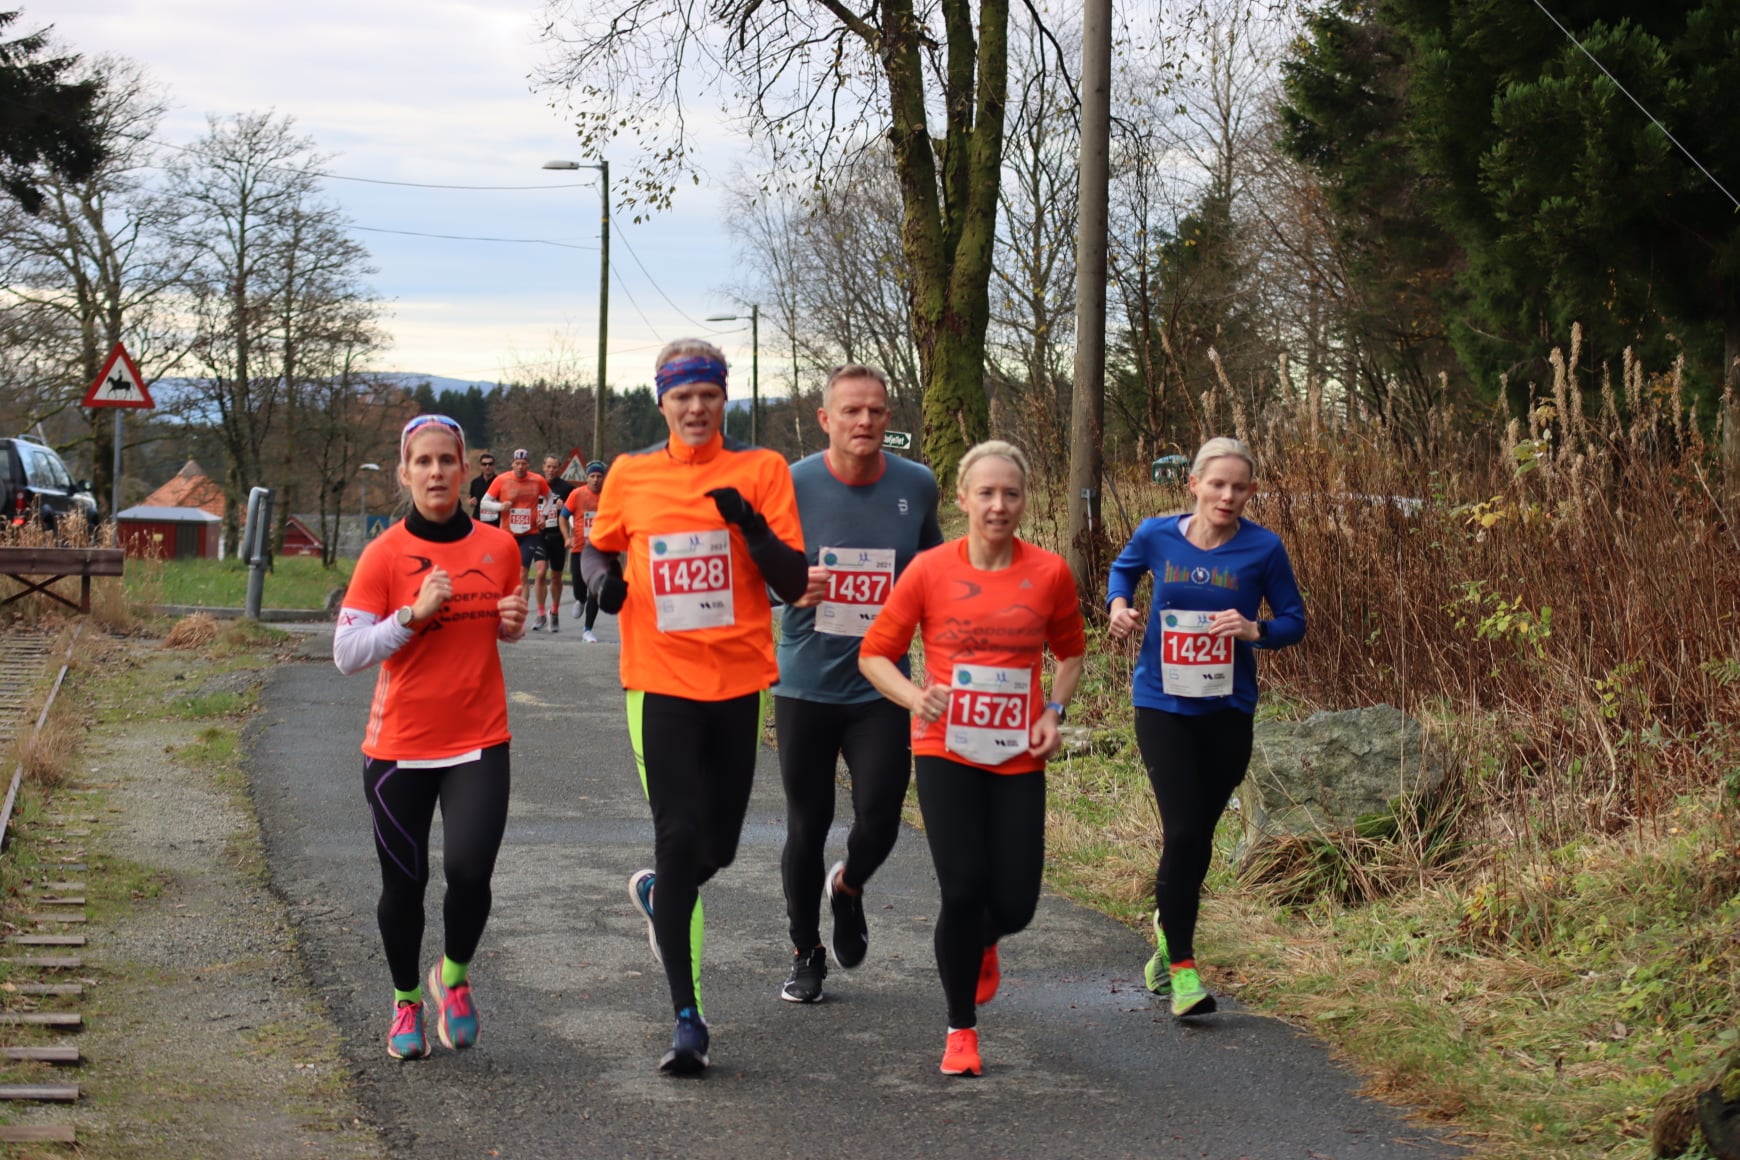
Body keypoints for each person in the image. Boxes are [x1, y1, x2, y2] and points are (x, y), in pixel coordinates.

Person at [579, 338, 808, 1074]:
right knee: (678, 837)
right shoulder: (632, 473)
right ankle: (687, 1020)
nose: (696, 407)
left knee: (718, 850)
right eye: (682, 396)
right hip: (661, 680)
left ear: (724, 397)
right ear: (663, 402)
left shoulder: (763, 470)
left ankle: (662, 895)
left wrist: (752, 526)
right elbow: (596, 548)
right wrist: (601, 583)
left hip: (738, 682)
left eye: (708, 394)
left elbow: (793, 581)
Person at [858, 440, 1086, 1079]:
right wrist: (915, 697)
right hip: (946, 747)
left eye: (1010, 493)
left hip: (1018, 752)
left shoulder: (1049, 573)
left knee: (1016, 904)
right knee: (961, 889)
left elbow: (1071, 652)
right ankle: (960, 1030)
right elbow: (874, 653)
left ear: (1025, 501)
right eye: (985, 493)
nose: (998, 505)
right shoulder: (929, 570)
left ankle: (986, 939)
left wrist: (1053, 712)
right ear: (962, 499)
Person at [331, 414, 528, 1060]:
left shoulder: (499, 548)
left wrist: (513, 623)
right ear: (404, 473)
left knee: (470, 872)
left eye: (447, 460)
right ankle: (407, 999)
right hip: (398, 746)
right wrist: (411, 617)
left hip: (479, 738)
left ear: (466, 470)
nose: (436, 471)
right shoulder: (384, 554)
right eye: (423, 461)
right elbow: (347, 653)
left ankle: (455, 977)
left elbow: (503, 623)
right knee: (404, 885)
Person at [1105, 436, 1305, 1018]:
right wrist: (1119, 608)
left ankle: (1168, 935)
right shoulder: (1156, 534)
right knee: (1184, 832)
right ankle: (1185, 973)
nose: (1227, 495)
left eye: (1239, 487)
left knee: (1199, 839)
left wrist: (1255, 629)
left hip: (1228, 711)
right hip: (1162, 705)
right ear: (1193, 484)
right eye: (1217, 484)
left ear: (1251, 491)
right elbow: (1122, 572)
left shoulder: (1264, 547)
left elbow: (1294, 621)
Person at [772, 365, 941, 1003]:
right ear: (826, 419)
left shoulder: (916, 484)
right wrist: (793, 586)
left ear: (888, 416)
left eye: (875, 410)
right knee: (807, 823)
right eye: (851, 411)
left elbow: (935, 570)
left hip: (882, 687)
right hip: (806, 684)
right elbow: (758, 572)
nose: (864, 421)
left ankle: (847, 888)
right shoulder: (793, 484)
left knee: (882, 817)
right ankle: (805, 951)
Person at [481, 449, 553, 629]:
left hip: (530, 533)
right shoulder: (502, 479)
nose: (520, 467)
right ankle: (501, 610)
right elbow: (484, 502)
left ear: (528, 465)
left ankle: (520, 616)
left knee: (522, 573)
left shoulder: (537, 480)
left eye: (524, 464)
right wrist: (500, 507)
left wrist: (544, 515)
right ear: (512, 464)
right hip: (507, 534)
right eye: (517, 463)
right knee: (505, 573)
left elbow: (550, 497)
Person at [561, 460, 607, 642]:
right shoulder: (577, 494)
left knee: (594, 590)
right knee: (579, 587)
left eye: (599, 476)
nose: (595, 480)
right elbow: (563, 517)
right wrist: (567, 537)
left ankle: (588, 629)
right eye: (592, 476)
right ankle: (579, 599)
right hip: (579, 547)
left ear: (603, 478)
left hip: (599, 550)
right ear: (587, 478)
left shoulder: (610, 495)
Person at [540, 454, 577, 633]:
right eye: (548, 466)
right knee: (540, 572)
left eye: (555, 467)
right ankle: (540, 613)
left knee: (556, 576)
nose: (551, 470)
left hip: (557, 536)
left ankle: (554, 611)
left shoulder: (566, 488)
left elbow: (575, 513)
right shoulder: (535, 484)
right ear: (543, 467)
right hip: (539, 535)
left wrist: (565, 509)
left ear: (559, 468)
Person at [468, 452, 499, 524]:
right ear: (480, 466)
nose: (487, 466)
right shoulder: (475, 482)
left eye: (490, 464)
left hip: (496, 523)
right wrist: (471, 502)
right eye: (484, 464)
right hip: (479, 521)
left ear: (494, 465)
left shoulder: (500, 481)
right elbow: (471, 498)